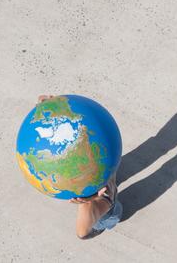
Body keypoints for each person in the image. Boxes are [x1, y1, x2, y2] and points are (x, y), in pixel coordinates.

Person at [38, 95, 123, 239]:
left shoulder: (103, 198)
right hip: (108, 174)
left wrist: (88, 203)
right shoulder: (104, 155)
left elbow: (82, 233)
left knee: (109, 219)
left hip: (106, 214)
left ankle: (103, 226)